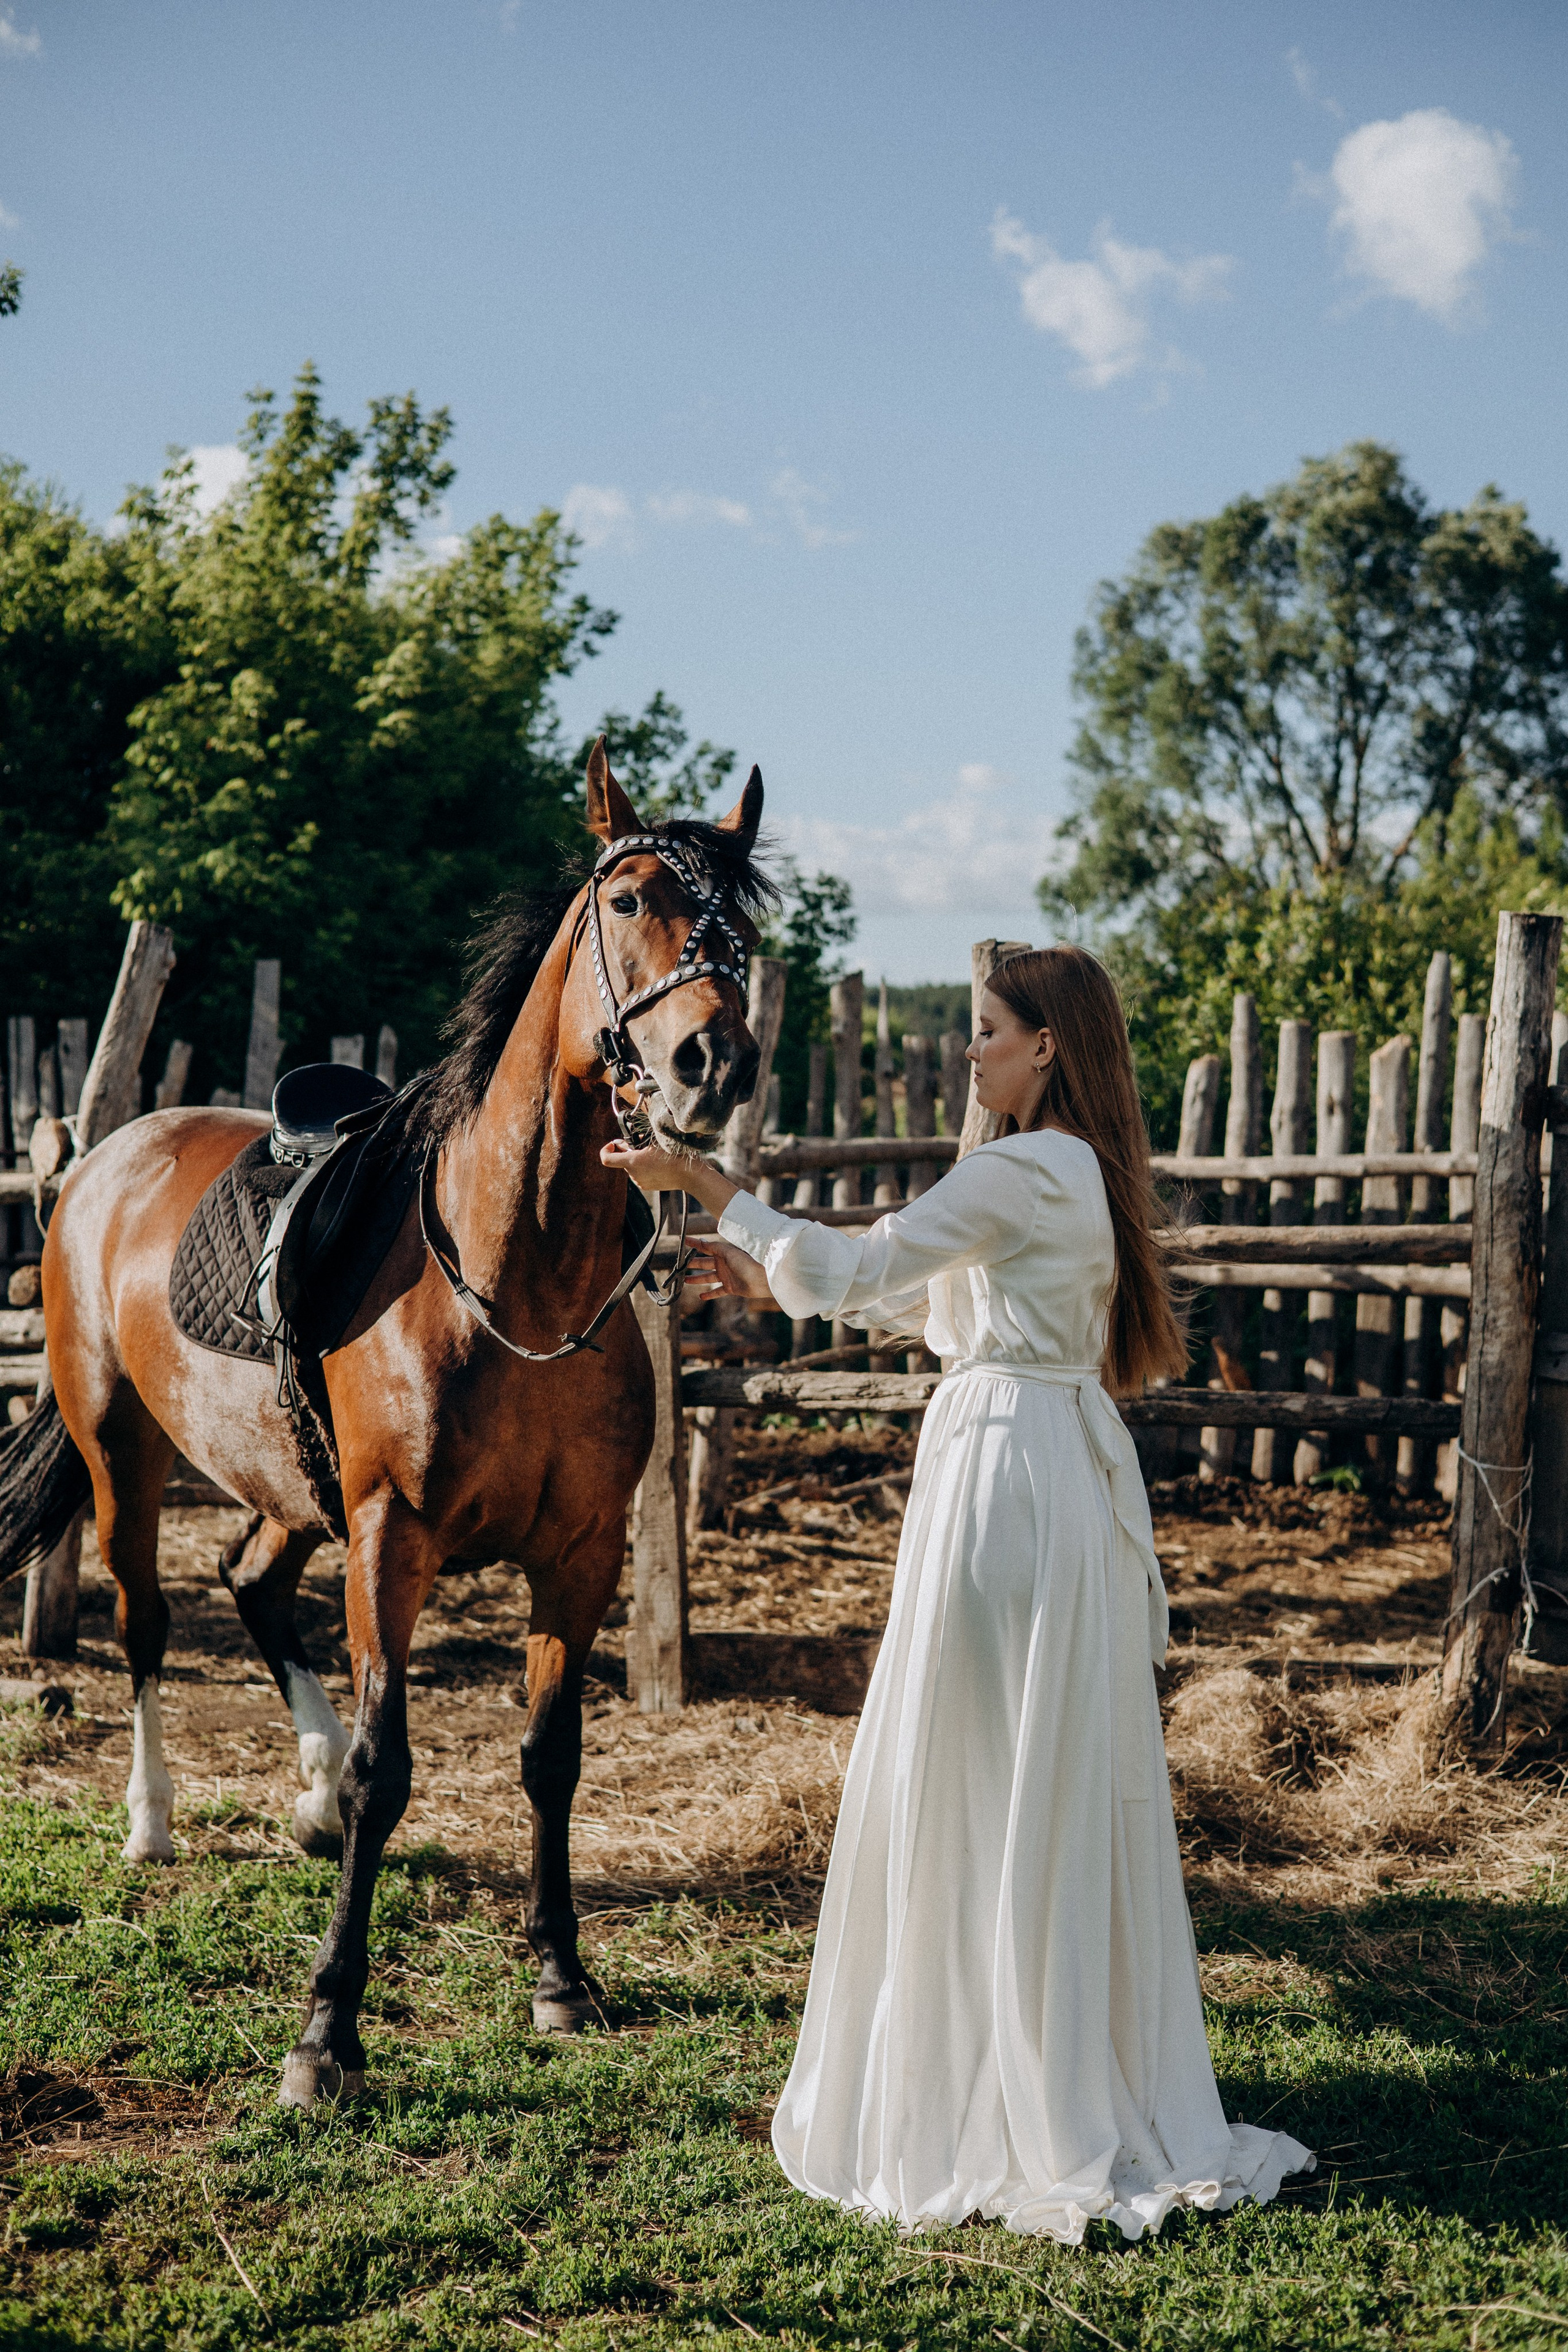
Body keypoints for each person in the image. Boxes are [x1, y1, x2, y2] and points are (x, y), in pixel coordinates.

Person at [601, 944, 1312, 2245]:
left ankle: (995, 2082)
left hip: (1006, 1482)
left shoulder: (1024, 1166)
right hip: (1034, 1465)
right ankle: (1023, 2049)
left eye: (985, 1030)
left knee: (975, 1763)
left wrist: (712, 1187)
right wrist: (763, 1265)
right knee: (1015, 1766)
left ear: (1045, 1047)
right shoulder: (1059, 1175)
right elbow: (938, 1311)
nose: (967, 1051)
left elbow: (862, 1265)